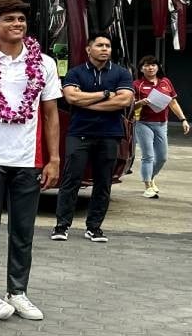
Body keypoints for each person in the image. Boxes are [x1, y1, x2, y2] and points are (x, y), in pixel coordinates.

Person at [0, 0, 60, 321]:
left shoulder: (44, 64)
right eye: (9, 19)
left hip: (27, 160)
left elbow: (50, 114)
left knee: (23, 229)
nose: (17, 24)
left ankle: (18, 291)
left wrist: (54, 159)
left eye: (21, 18)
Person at [51, 32, 133, 243]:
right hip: (79, 133)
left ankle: (94, 227)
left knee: (103, 183)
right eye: (100, 45)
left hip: (109, 135)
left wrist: (86, 102)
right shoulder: (76, 72)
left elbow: (123, 101)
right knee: (71, 179)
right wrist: (105, 94)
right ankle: (62, 226)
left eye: (107, 46)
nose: (105, 49)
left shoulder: (121, 73)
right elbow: (70, 97)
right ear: (89, 49)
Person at [133, 56, 189, 197]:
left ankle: (150, 178)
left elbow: (173, 103)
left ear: (158, 67)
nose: (150, 68)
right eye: (146, 65)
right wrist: (141, 102)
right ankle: (147, 186)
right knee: (148, 156)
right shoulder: (136, 84)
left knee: (162, 157)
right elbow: (130, 106)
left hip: (161, 124)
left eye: (153, 65)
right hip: (143, 123)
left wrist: (183, 119)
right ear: (141, 69)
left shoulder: (165, 82)